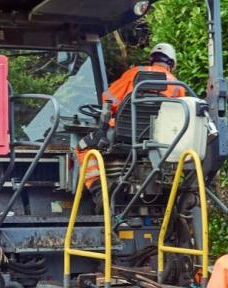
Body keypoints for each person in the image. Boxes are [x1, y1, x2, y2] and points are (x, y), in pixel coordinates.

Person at [78, 43, 185, 207]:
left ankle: (100, 193)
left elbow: (108, 99)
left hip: (122, 134)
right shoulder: (178, 86)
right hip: (156, 140)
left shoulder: (134, 74)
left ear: (152, 59)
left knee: (82, 147)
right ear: (172, 63)